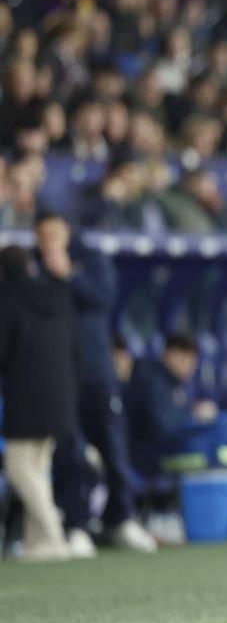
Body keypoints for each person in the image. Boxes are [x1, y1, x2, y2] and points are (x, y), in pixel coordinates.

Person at [36, 213, 157, 554]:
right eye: (43, 236)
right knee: (70, 454)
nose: (49, 242)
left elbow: (102, 298)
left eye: (54, 233)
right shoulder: (36, 269)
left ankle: (120, 519)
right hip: (60, 377)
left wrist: (68, 277)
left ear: (67, 231)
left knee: (114, 450)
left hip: (97, 375)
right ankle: (76, 525)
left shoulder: (90, 258)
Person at [0, 245, 77, 561]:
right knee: (38, 467)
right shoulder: (57, 295)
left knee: (18, 465)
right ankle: (37, 544)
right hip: (61, 396)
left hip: (26, 397)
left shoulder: (8, 300)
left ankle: (54, 534)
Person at [125, 333, 227, 478]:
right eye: (185, 359)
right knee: (218, 436)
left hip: (168, 449)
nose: (191, 366)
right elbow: (164, 428)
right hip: (153, 457)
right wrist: (193, 416)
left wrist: (192, 412)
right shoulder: (151, 381)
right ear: (170, 354)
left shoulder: (173, 383)